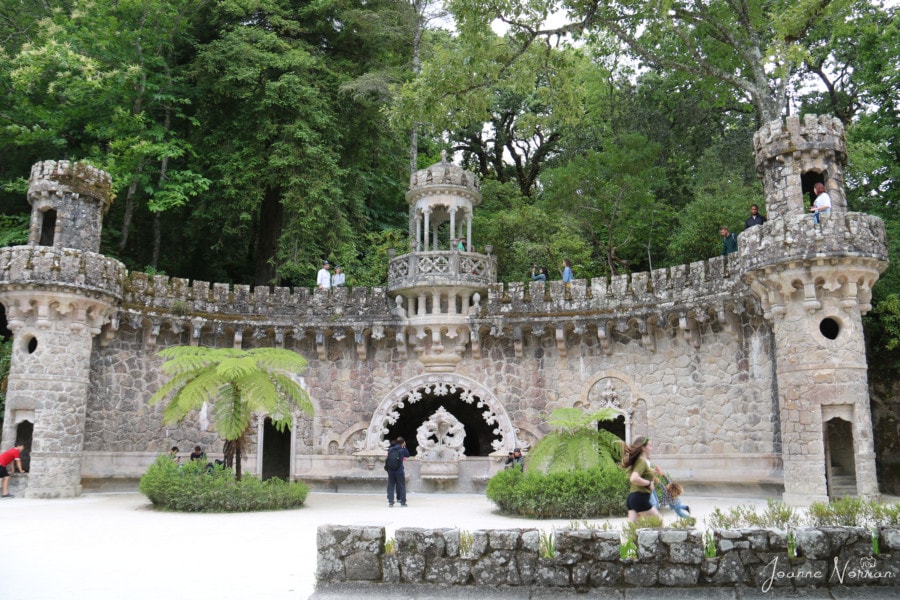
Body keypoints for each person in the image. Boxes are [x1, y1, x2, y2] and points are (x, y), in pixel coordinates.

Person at [621, 436, 660, 523]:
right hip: (640, 498)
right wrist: (649, 483)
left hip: (632, 499)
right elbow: (634, 478)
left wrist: (654, 472)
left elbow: (644, 476)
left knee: (633, 531)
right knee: (659, 523)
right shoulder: (642, 461)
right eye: (650, 446)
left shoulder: (640, 461)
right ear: (643, 448)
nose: (651, 448)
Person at [385, 436, 410, 507]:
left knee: (391, 485)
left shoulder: (390, 449)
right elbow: (407, 455)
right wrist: (404, 447)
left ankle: (391, 502)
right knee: (401, 485)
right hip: (399, 470)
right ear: (403, 443)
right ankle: (403, 502)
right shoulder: (402, 449)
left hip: (391, 470)